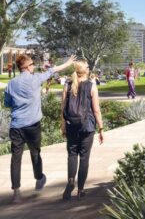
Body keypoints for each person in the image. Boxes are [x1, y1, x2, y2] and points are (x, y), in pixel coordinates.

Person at [4, 54, 76, 203]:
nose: (33, 66)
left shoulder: (11, 84)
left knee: (15, 159)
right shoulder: (35, 79)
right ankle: (39, 178)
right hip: (32, 125)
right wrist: (68, 62)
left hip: (17, 126)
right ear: (26, 67)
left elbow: (7, 103)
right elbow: (54, 70)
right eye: (31, 64)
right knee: (35, 153)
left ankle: (16, 193)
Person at [61, 60, 104, 200]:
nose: (89, 67)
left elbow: (63, 108)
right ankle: (80, 190)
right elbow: (96, 110)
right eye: (87, 66)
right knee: (84, 157)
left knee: (72, 154)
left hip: (71, 125)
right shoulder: (91, 85)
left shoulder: (67, 85)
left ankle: (70, 181)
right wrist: (101, 128)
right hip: (87, 126)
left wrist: (63, 125)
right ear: (84, 70)